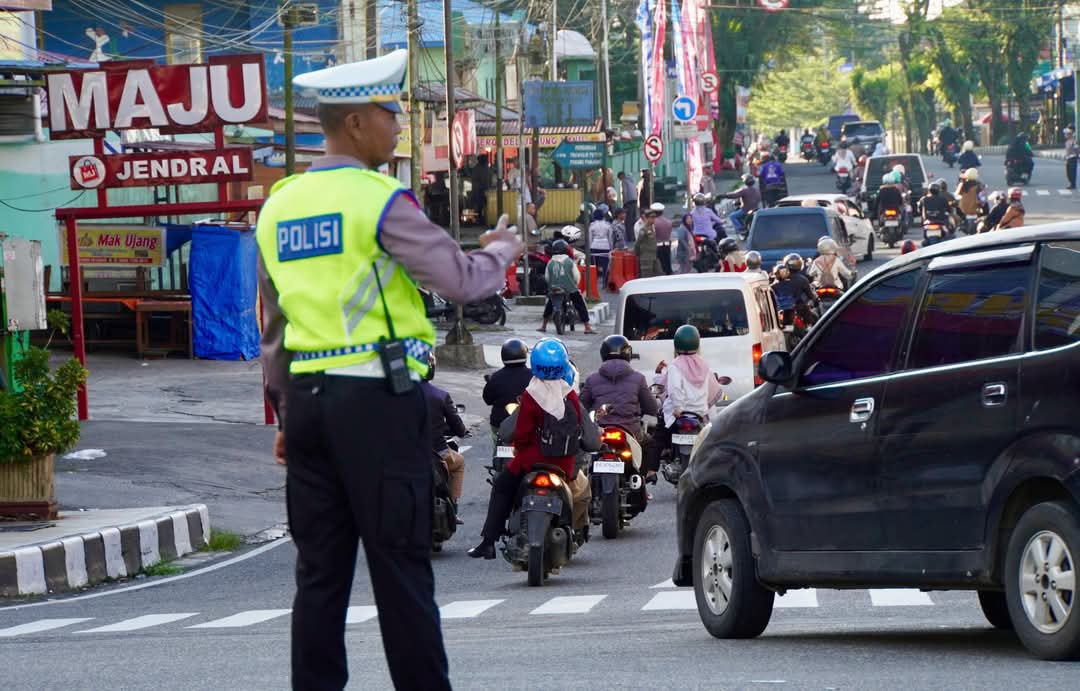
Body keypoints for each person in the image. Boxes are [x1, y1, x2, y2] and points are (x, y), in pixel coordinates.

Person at [258, 50, 524, 690]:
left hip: (310, 405)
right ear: (354, 123)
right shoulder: (377, 200)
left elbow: (272, 328)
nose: (398, 126)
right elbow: (458, 281)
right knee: (402, 572)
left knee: (319, 577)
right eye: (389, 112)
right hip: (376, 402)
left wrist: (287, 415)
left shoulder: (279, 205)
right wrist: (501, 252)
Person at [468, 338, 598, 559]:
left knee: (501, 487)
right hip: (564, 467)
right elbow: (592, 442)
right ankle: (574, 534)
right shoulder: (571, 396)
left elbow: (519, 433)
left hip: (529, 462)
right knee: (583, 492)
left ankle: (488, 543)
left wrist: (520, 449)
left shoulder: (532, 394)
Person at [580, 335, 661, 477]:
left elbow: (581, 406)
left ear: (603, 353)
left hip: (601, 430)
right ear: (628, 354)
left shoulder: (592, 379)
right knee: (649, 443)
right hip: (630, 430)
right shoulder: (639, 378)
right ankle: (641, 480)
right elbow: (652, 408)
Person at [650, 325, 724, 469]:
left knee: (658, 438)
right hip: (700, 415)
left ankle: (651, 471)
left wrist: (678, 408)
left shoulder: (675, 366)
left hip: (678, 415)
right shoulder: (704, 365)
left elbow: (674, 389)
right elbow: (712, 389)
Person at [421, 355, 467, 521]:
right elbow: (458, 427)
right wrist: (461, 431)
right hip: (438, 453)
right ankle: (453, 508)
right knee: (459, 462)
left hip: (405, 452)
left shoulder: (397, 396)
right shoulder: (440, 396)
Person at [538, 239, 594, 334]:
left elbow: (547, 277)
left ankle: (543, 325)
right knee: (580, 304)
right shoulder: (569, 261)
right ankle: (587, 327)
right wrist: (574, 285)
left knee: (550, 304)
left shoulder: (550, 262)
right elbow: (576, 276)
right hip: (570, 289)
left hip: (554, 288)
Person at [482, 338, 532, 437]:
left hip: (499, 423)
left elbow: (487, 400)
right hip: (527, 422)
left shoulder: (495, 377)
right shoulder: (534, 376)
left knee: (497, 446)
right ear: (524, 355)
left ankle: (497, 451)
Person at [772, 254, 818, 325]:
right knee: (814, 321)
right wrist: (816, 301)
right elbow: (810, 295)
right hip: (798, 308)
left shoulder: (777, 281)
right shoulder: (802, 279)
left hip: (781, 311)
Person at [634, 206, 663, 278]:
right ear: (647, 218)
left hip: (654, 256)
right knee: (646, 276)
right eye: (652, 218)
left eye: (654, 217)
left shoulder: (652, 228)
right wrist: (638, 254)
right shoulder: (643, 230)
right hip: (646, 258)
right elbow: (637, 243)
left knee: (659, 274)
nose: (654, 219)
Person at [588, 208, 614, 287]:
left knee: (594, 266)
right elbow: (610, 238)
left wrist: (590, 248)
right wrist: (611, 248)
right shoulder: (608, 225)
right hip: (605, 246)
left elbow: (590, 238)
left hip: (594, 246)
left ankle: (593, 283)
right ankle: (604, 283)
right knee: (605, 266)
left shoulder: (592, 225)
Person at [652, 202, 674, 275]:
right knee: (667, 263)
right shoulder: (669, 222)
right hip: (667, 244)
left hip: (657, 245)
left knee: (660, 265)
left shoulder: (653, 223)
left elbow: (653, 235)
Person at [1066, 126, 1079, 190]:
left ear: (1070, 135)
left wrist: (1077, 156)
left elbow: (1077, 149)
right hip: (1068, 159)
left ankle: (1073, 185)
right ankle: (1071, 184)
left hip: (1073, 158)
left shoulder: (1073, 141)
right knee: (1068, 173)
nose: (1066, 135)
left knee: (1072, 173)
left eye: (1067, 134)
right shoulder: (1067, 142)